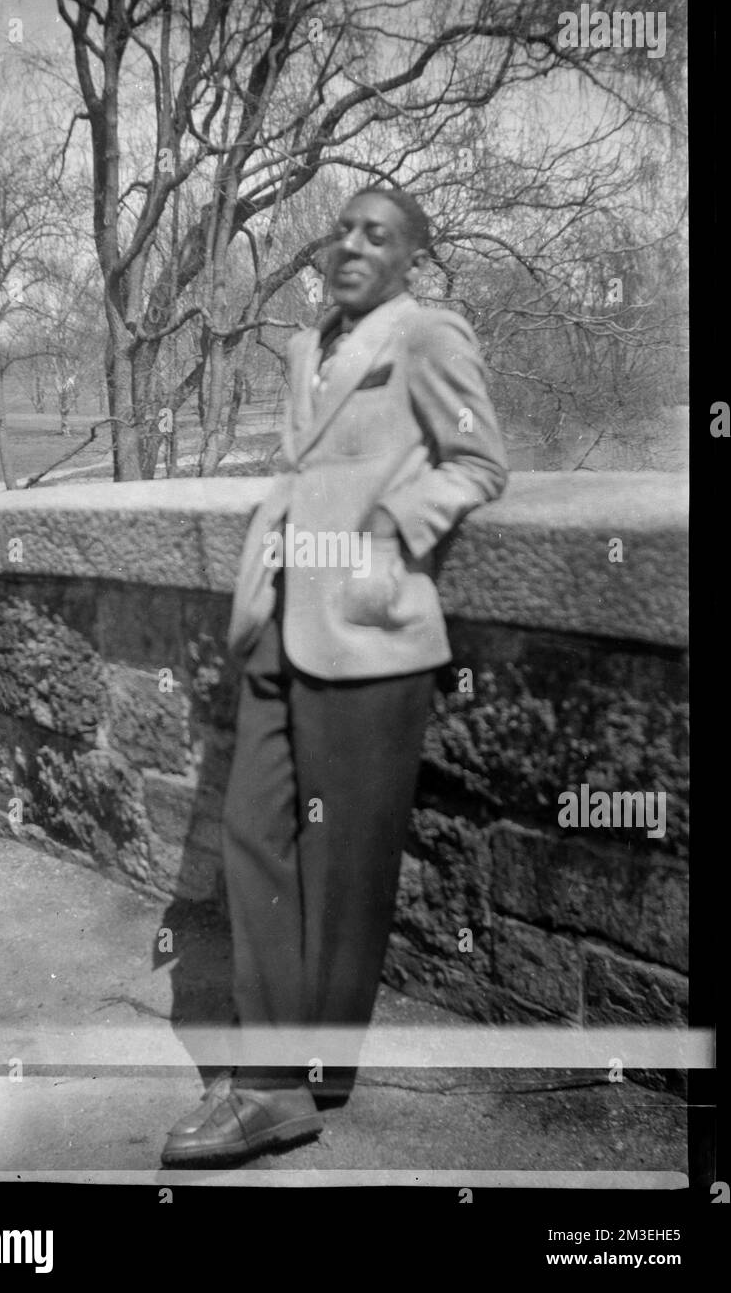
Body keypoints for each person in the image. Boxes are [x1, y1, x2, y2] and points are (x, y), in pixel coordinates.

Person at [161, 185, 509, 1166]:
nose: (352, 245)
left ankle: (298, 1077)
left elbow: (481, 461)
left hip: (369, 633)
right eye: (343, 229)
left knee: (346, 869)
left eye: (379, 235)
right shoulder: (307, 347)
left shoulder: (430, 338)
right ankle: (278, 1073)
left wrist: (392, 531)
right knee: (250, 831)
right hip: (280, 622)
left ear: (410, 258)